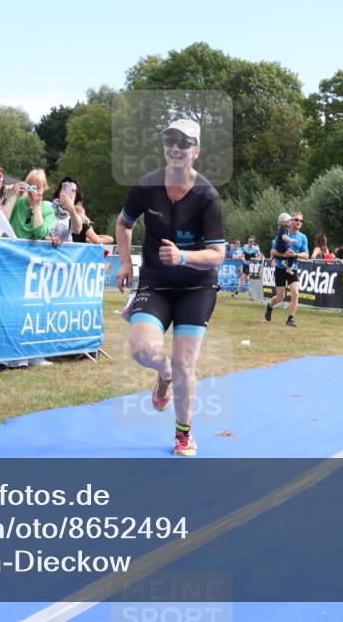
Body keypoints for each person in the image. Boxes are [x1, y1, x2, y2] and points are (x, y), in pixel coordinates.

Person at [116, 119, 225, 456]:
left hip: (197, 288)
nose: (176, 148)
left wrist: (183, 257)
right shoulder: (145, 187)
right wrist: (124, 263)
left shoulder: (207, 196)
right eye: (171, 141)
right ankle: (163, 375)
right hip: (156, 283)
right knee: (143, 351)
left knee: (184, 365)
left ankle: (183, 434)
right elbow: (124, 223)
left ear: (197, 151)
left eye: (185, 143)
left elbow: (218, 254)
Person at [265, 211, 309, 327]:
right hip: (280, 268)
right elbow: (273, 251)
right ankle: (270, 306)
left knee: (295, 293)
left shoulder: (303, 237)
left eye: (301, 220)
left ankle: (290, 319)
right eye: (296, 220)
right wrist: (284, 256)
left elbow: (306, 254)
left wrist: (296, 255)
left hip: (292, 269)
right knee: (280, 297)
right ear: (291, 221)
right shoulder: (282, 232)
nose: (299, 222)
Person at [3, 169, 54, 240]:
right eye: (32, 187)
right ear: (26, 186)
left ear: (44, 188)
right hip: (9, 243)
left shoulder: (49, 211)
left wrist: (37, 206)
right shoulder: (18, 200)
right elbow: (2, 219)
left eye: (38, 188)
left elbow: (40, 233)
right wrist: (15, 196)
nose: (34, 191)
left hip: (28, 249)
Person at [46, 177, 84, 246]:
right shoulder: (47, 205)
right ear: (59, 192)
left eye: (72, 191)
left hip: (60, 255)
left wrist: (71, 209)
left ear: (76, 196)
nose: (68, 193)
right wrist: (47, 239)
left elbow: (78, 230)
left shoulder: (74, 216)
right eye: (65, 189)